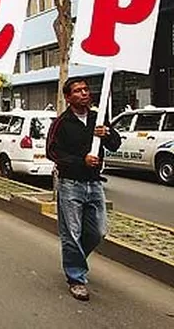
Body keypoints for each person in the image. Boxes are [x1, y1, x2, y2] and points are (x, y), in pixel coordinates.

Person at [46, 78, 121, 302]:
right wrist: (81, 161)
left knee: (97, 231)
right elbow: (52, 152)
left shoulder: (98, 118)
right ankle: (76, 278)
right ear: (68, 98)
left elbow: (115, 143)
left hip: (95, 184)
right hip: (71, 185)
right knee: (72, 233)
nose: (84, 93)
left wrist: (106, 133)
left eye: (86, 89)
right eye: (77, 91)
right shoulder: (62, 122)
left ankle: (76, 259)